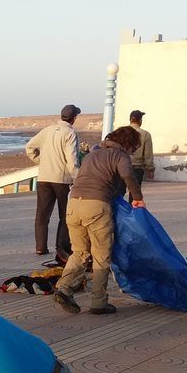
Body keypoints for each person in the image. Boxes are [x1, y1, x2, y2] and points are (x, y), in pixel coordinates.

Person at [54, 126, 145, 317]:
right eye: (133, 148)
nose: (132, 152)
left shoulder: (93, 154)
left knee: (79, 252)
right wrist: (137, 197)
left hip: (73, 205)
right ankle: (99, 302)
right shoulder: (119, 155)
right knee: (101, 255)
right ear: (127, 144)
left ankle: (64, 288)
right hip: (96, 206)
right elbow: (128, 174)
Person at [25, 105, 80, 258]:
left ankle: (40, 246)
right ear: (74, 118)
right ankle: (61, 247)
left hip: (44, 177)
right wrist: (77, 177)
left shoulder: (48, 130)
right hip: (61, 179)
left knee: (42, 214)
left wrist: (41, 161)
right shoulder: (70, 133)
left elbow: (30, 147)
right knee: (65, 214)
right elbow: (72, 159)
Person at [128, 110, 154, 190]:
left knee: (119, 193)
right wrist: (150, 169)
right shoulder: (145, 134)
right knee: (135, 194)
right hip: (137, 168)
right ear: (140, 120)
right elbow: (148, 154)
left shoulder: (121, 131)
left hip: (121, 166)